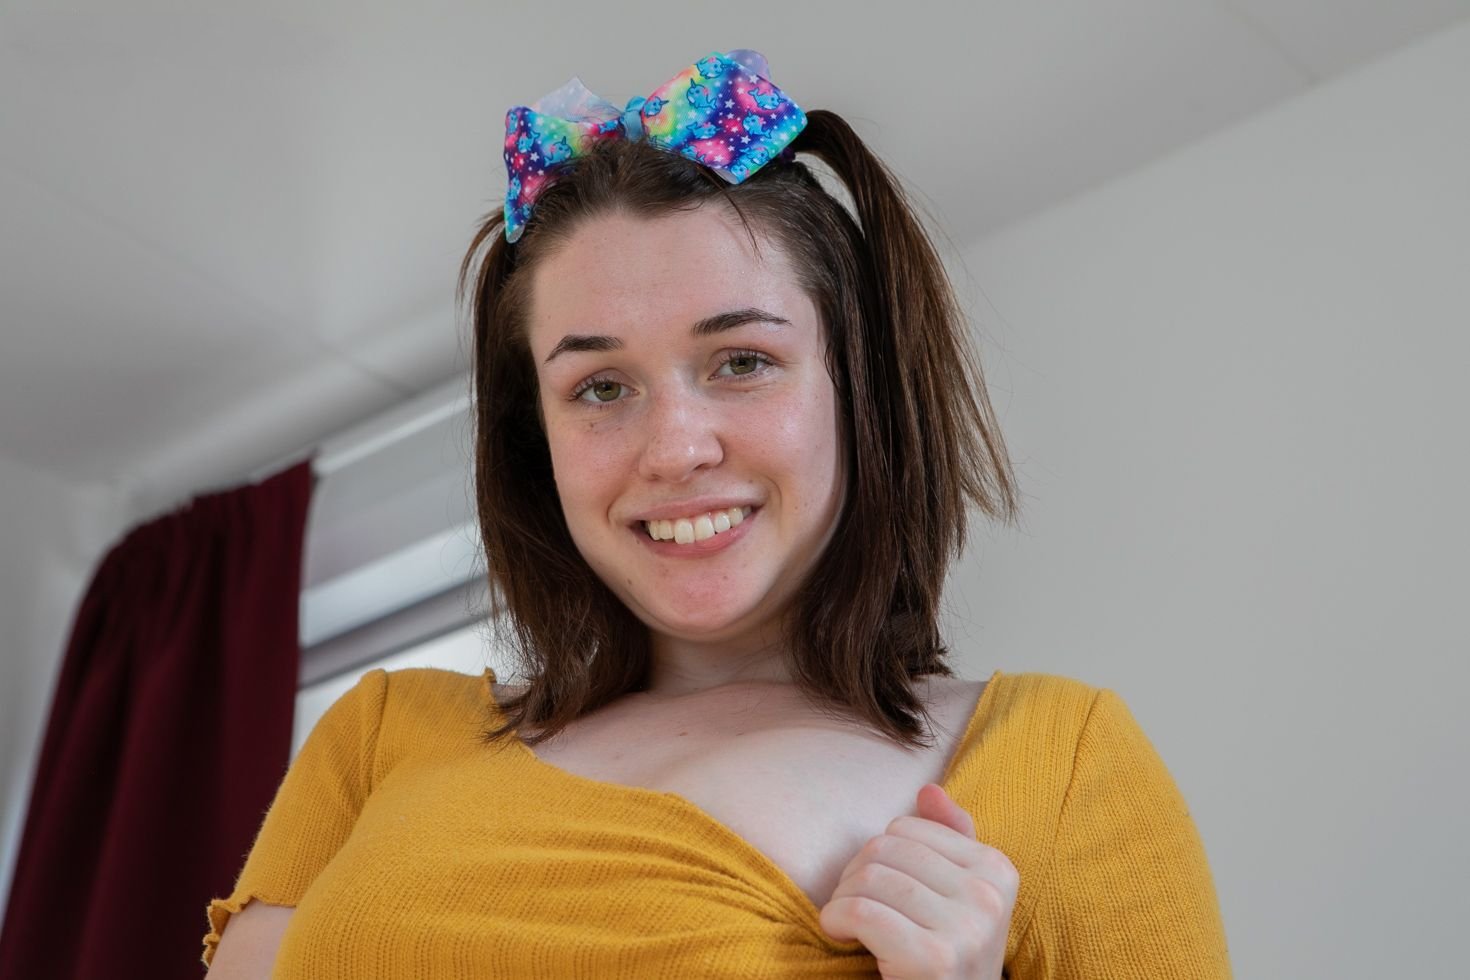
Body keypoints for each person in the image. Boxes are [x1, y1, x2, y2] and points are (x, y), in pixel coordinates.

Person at [202, 50, 1231, 978]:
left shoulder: (1056, 759)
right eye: (601, 386)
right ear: (536, 439)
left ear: (859, 391)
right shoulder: (381, 737)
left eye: (742, 361)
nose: (674, 448)